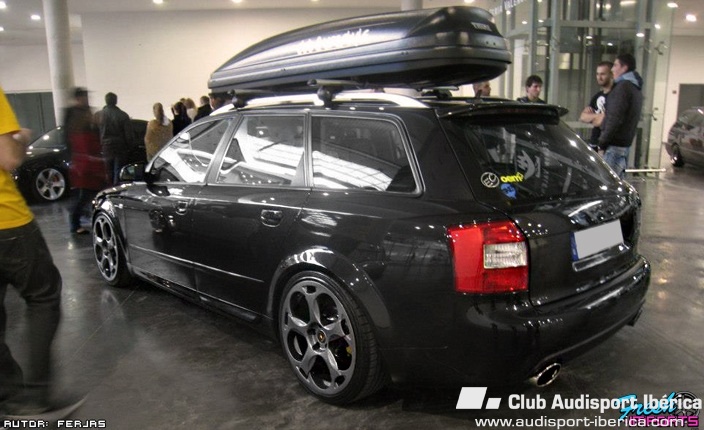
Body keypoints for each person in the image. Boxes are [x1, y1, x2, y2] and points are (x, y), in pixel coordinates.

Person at [0, 84, 74, 418]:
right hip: (6, 223)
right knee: (43, 297)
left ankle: (7, 397)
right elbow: (9, 157)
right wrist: (21, 137)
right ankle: (36, 398)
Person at [63, 87, 107, 234]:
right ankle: (76, 222)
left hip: (87, 162)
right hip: (84, 163)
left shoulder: (84, 114)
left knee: (88, 193)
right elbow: (72, 140)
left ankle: (82, 220)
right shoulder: (75, 116)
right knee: (84, 194)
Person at [598, 53, 644, 179]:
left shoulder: (622, 88)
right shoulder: (634, 87)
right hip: (623, 145)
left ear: (624, 68)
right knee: (617, 182)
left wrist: (602, 142)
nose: (612, 69)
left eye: (615, 65)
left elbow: (614, 118)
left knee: (607, 182)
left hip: (613, 146)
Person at [95, 92, 134, 185]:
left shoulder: (98, 115)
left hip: (105, 147)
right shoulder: (123, 115)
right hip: (120, 147)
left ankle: (108, 188)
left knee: (108, 171)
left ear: (106, 101)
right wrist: (129, 147)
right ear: (116, 101)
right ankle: (116, 188)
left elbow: (95, 133)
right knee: (118, 171)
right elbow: (129, 135)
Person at [580, 61, 614, 151]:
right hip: (594, 142)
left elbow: (605, 120)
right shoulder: (597, 96)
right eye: (597, 74)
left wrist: (593, 117)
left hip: (608, 145)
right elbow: (583, 117)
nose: (599, 77)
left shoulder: (615, 96)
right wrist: (597, 117)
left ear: (611, 75)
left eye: (603, 74)